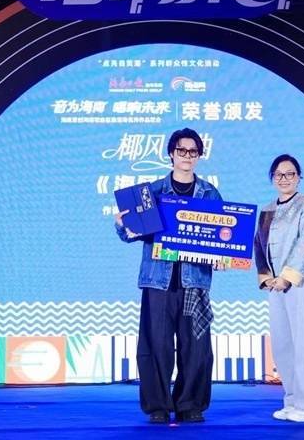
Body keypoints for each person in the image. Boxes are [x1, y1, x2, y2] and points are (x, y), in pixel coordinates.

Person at [115, 128, 222, 424]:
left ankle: (190, 404)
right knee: (155, 346)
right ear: (171, 154)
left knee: (196, 347)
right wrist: (123, 225)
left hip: (194, 282)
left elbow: (223, 236)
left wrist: (224, 256)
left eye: (193, 151)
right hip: (158, 281)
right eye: (181, 150)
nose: (187, 156)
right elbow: (131, 234)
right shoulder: (152, 193)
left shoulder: (210, 193)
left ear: (199, 156)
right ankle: (158, 406)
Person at [253, 154, 304, 423]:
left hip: (299, 281)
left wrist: (287, 277)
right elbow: (258, 245)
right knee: (283, 344)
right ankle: (292, 400)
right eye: (279, 174)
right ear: (272, 178)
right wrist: (266, 278)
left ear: (298, 177)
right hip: (275, 285)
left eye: (290, 173)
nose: (284, 179)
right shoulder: (267, 210)